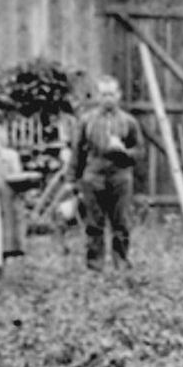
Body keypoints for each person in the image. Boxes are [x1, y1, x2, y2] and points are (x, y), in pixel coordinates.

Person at [69, 75, 143, 271]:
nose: (107, 98)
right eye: (103, 94)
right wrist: (73, 180)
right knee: (94, 223)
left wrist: (124, 152)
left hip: (120, 176)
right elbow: (77, 151)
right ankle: (95, 264)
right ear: (98, 96)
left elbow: (139, 152)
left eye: (111, 94)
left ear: (118, 96)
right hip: (93, 176)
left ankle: (121, 261)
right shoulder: (87, 121)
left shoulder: (129, 122)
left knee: (121, 222)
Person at [0, 110, 42, 279]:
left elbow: (16, 175)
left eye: (0, 131)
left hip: (5, 198)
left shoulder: (9, 155)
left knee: (6, 231)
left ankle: (2, 262)